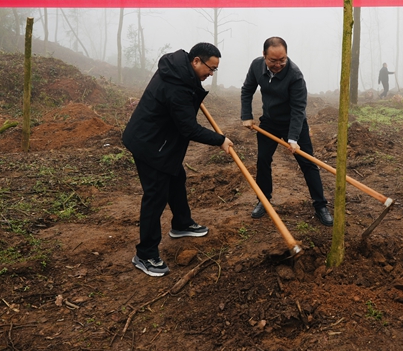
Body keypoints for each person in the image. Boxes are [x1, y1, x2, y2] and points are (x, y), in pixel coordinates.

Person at [122, 43, 233, 277]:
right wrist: (220, 140)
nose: (211, 74)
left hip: (159, 139)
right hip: (150, 144)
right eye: (210, 68)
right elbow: (188, 128)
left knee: (176, 176)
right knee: (156, 196)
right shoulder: (177, 86)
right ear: (195, 61)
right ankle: (145, 254)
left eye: (214, 70)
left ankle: (182, 224)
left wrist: (195, 88)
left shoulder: (179, 71)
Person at [240, 37, 333, 226]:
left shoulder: (295, 75)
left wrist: (293, 138)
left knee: (307, 163)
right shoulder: (256, 66)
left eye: (282, 60)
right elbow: (247, 89)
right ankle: (263, 201)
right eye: (273, 60)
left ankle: (320, 205)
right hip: (269, 121)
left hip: (293, 122)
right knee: (263, 160)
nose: (278, 64)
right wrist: (246, 115)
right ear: (264, 56)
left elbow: (299, 109)